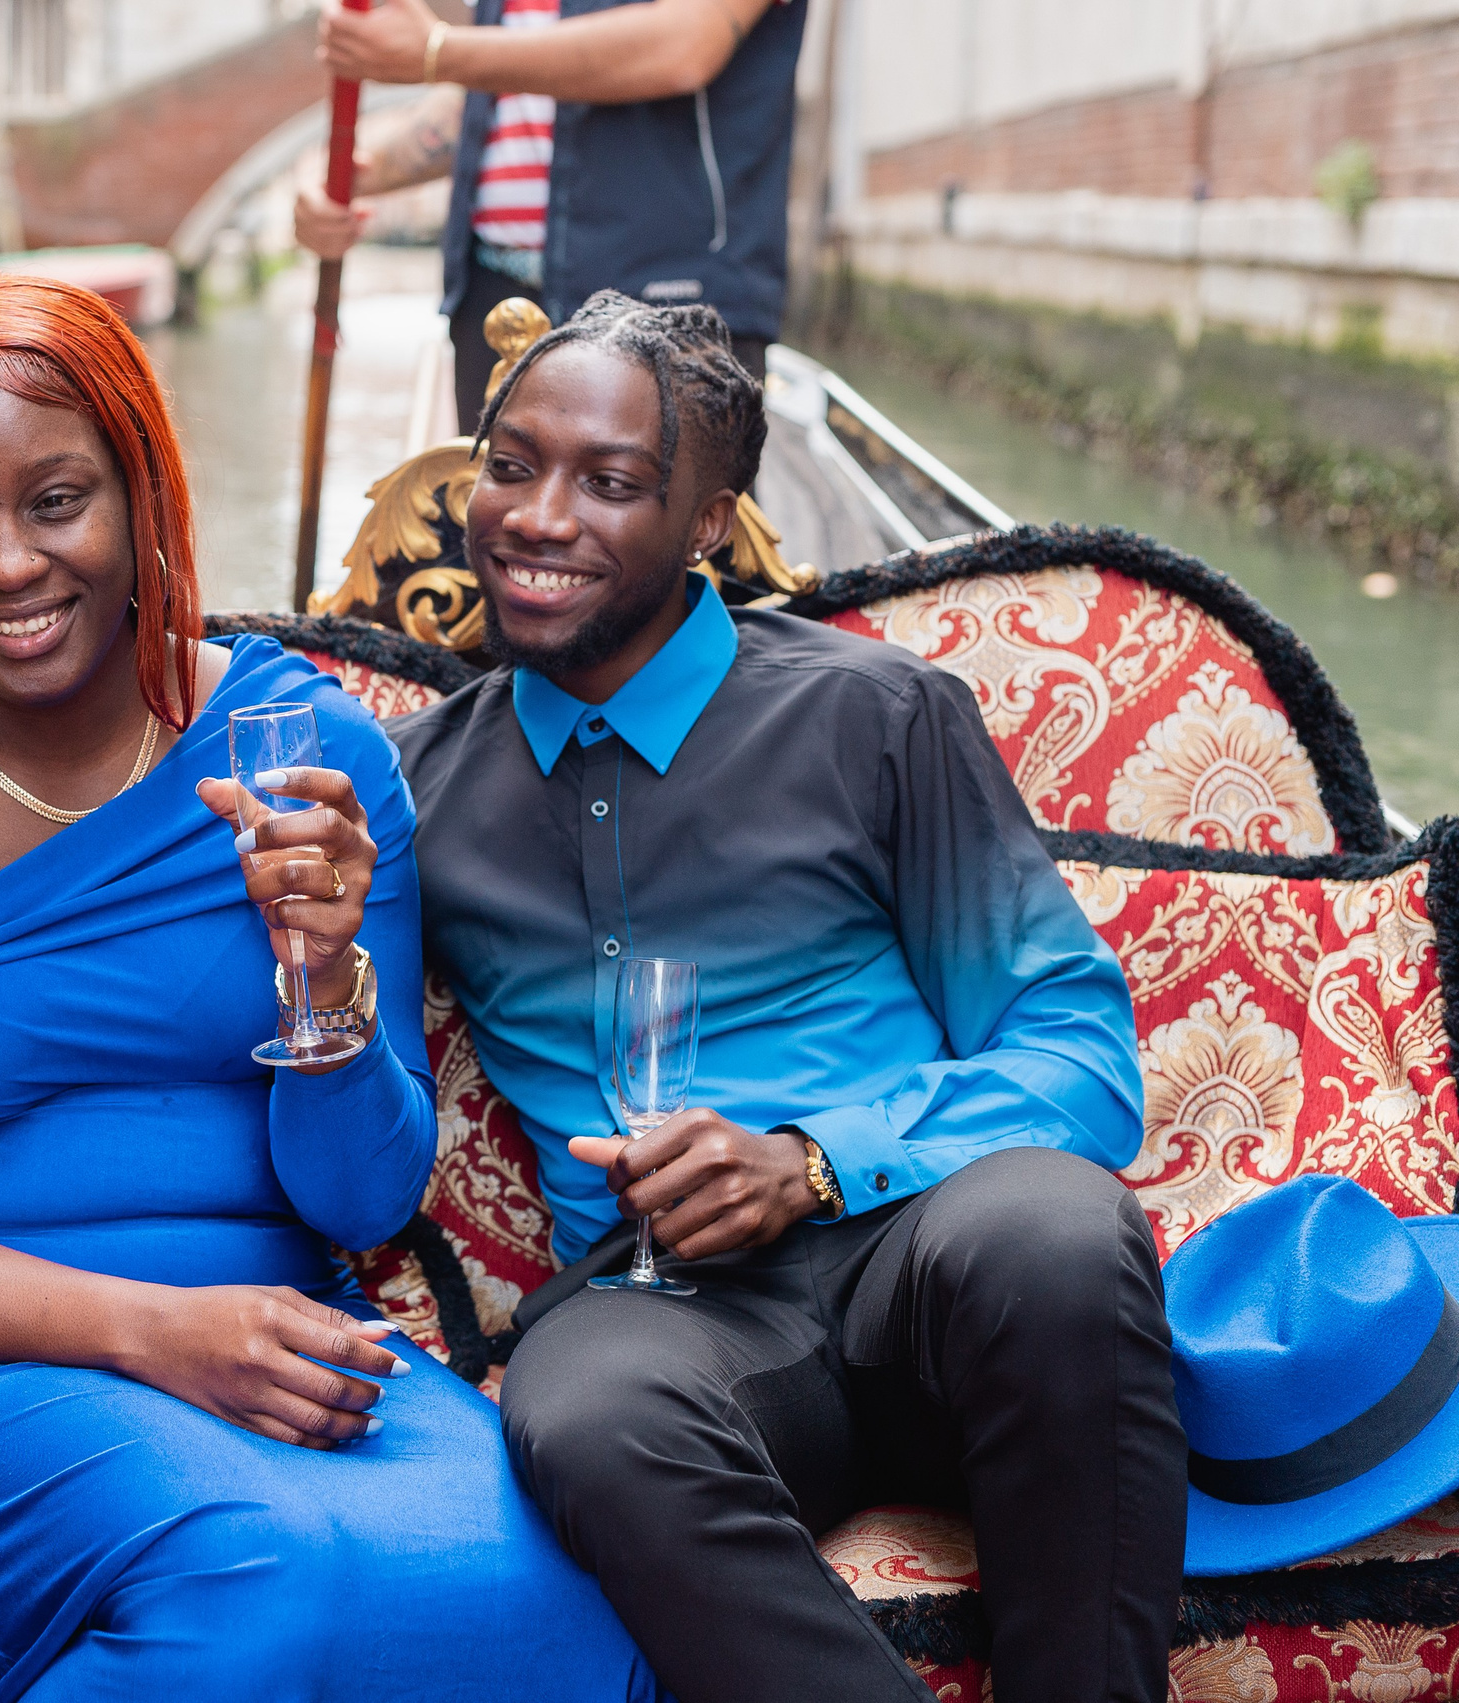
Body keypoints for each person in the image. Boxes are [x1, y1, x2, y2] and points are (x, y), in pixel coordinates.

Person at [0, 273, 670, 1703]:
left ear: (145, 495)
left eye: (58, 499)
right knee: (253, 1575)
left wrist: (323, 980)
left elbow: (361, 1205)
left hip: (278, 1337)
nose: (11, 564)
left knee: (572, 1594)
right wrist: (155, 1331)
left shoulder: (308, 752)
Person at [386, 290, 1188, 1703]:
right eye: (510, 464)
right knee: (577, 1410)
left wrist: (813, 1163)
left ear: (707, 522)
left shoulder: (878, 717)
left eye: (612, 482)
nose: (536, 515)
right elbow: (359, 1128)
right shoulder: (417, 788)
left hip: (926, 1262)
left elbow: (1081, 1055)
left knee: (1058, 1223)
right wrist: (314, 951)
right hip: (663, 1313)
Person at [298, 0, 804, 425]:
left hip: (666, 298)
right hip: (492, 300)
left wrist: (440, 50)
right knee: (500, 533)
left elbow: (686, 43)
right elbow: (501, 90)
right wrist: (344, 176)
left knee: (660, 536)